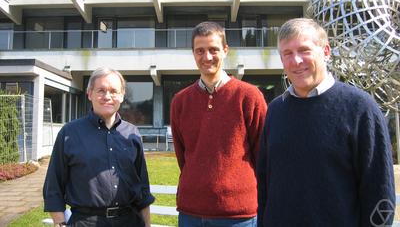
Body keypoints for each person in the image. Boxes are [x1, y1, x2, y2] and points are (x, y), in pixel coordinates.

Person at [257, 18, 395, 227]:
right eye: (287, 53)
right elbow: (265, 185)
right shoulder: (276, 110)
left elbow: (380, 190)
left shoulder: (360, 108)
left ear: (326, 51)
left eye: (304, 50)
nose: (296, 61)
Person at [170, 21, 267, 227]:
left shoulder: (249, 96)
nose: (207, 57)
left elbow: (263, 155)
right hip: (191, 213)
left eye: (213, 50)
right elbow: (183, 156)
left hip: (238, 214)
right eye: (200, 51)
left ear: (225, 50)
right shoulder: (180, 101)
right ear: (193, 53)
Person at [43, 67, 155, 227]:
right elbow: (53, 186)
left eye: (113, 91)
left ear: (122, 96)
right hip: (85, 222)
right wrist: (60, 223)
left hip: (129, 221)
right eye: (101, 90)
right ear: (90, 94)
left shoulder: (132, 134)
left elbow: (142, 188)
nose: (107, 96)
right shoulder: (69, 133)